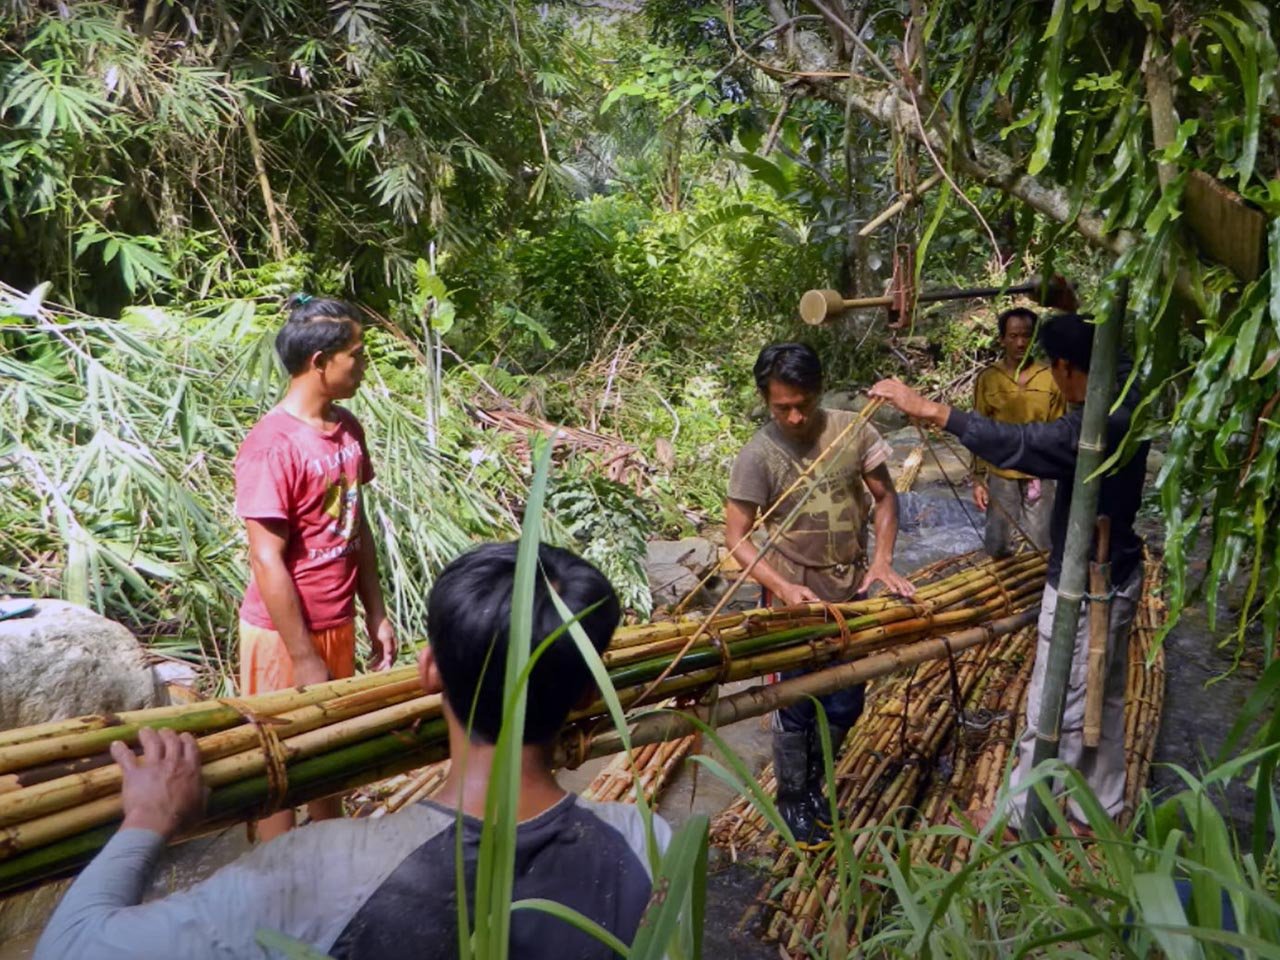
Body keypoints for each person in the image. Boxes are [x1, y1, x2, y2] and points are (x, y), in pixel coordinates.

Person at [34, 542, 670, 960]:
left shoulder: (318, 871)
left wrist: (149, 823)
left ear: (428, 672)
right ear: (590, 692)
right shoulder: (651, 846)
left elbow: (70, 948)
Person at [870, 312, 1149, 831]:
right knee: (1105, 696)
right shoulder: (1129, 390)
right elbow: (1117, 351)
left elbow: (1021, 445)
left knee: (1054, 701)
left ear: (1065, 368)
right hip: (1120, 569)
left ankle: (1023, 816)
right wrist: (1070, 305)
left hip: (1086, 583)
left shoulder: (1096, 424)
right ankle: (1101, 808)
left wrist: (930, 409)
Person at [725, 343, 913, 843]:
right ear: (766, 400)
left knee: (847, 699)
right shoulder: (758, 455)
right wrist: (784, 586)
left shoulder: (853, 430)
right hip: (794, 600)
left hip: (851, 589)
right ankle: (794, 799)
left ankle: (817, 784)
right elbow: (737, 536)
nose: (794, 415)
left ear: (819, 388)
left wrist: (882, 562)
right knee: (795, 699)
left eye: (803, 402)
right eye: (781, 406)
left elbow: (885, 496)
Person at [234, 294, 397, 841]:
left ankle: (329, 864)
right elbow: (266, 558)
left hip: (337, 622)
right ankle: (275, 883)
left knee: (331, 753)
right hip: (284, 635)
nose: (365, 362)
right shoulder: (270, 447)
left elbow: (358, 526)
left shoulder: (346, 428)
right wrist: (303, 657)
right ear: (321, 362)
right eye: (358, 352)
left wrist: (375, 612)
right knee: (278, 766)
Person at [972, 307, 1065, 556]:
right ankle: (1002, 587)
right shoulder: (989, 378)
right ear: (1002, 339)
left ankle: (1037, 590)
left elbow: (1060, 427)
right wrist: (979, 478)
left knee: (1042, 542)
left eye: (1026, 336)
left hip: (1040, 471)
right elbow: (979, 429)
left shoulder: (1050, 377)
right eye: (1013, 336)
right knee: (997, 542)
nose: (1020, 343)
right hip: (1001, 471)